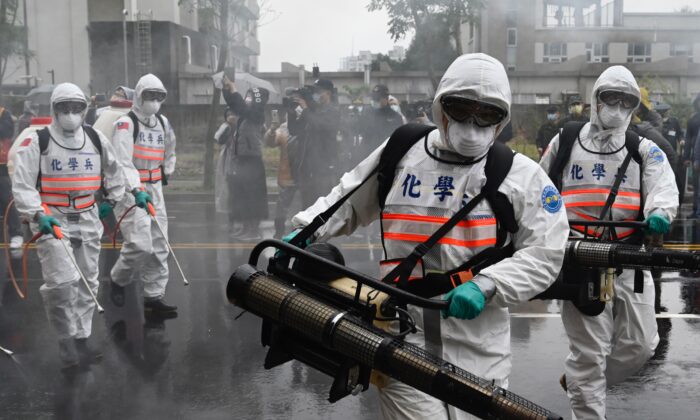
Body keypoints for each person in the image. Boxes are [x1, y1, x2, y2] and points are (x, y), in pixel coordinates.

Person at [288, 53, 569, 419]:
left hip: (479, 343)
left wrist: (488, 285)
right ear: (441, 106)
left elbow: (546, 251)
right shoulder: (402, 151)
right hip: (400, 332)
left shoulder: (519, 175)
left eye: (487, 113)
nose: (472, 123)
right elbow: (348, 199)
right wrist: (305, 230)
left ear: (502, 119)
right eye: (461, 108)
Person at [540, 66, 678, 420]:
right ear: (595, 99)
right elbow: (538, 188)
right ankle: (585, 390)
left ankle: (580, 382)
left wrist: (660, 210)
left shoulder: (641, 148)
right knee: (588, 354)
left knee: (641, 346)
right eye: (609, 98)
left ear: (633, 106)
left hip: (628, 258)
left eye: (625, 100)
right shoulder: (565, 141)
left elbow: (663, 182)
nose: (616, 107)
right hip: (579, 260)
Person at [10, 83, 126, 373]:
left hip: (88, 215)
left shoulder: (95, 138)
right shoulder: (39, 141)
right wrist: (38, 214)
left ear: (84, 109)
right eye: (65, 108)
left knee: (88, 280)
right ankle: (65, 341)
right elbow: (23, 183)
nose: (71, 114)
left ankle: (81, 338)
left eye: (77, 108)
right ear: (54, 109)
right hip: (53, 218)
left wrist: (111, 199)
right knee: (62, 284)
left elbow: (115, 171)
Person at [108, 74, 177, 315]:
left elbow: (171, 149)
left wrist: (167, 171)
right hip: (132, 192)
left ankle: (153, 297)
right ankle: (118, 278)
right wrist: (136, 189)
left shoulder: (163, 123)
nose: (154, 101)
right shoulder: (126, 124)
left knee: (160, 245)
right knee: (140, 244)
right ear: (139, 96)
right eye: (150, 96)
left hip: (155, 188)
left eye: (159, 97)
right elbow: (122, 162)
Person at [221, 78, 270, 241]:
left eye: (250, 97)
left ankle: (254, 230)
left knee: (253, 197)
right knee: (242, 196)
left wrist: (234, 89)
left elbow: (240, 106)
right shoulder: (245, 115)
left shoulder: (257, 114)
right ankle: (246, 228)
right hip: (242, 160)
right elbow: (235, 105)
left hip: (252, 161)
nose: (246, 100)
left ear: (256, 100)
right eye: (246, 97)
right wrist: (227, 90)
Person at [288, 79, 341, 207]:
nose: (315, 95)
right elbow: (294, 130)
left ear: (328, 93)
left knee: (321, 204)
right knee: (306, 204)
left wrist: (306, 109)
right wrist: (291, 113)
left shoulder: (333, 111)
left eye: (318, 92)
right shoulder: (312, 111)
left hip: (323, 166)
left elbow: (319, 125)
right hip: (306, 165)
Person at [264, 113, 297, 239]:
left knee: (303, 208)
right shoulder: (284, 128)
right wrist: (272, 130)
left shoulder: (308, 123)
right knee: (282, 207)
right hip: (288, 175)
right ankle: (279, 233)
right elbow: (271, 142)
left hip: (306, 175)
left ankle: (301, 234)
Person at [360, 84, 406, 161]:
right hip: (368, 157)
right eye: (373, 98)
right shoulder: (367, 113)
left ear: (386, 99)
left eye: (377, 98)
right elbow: (363, 134)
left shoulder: (395, 116)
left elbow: (398, 140)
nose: (375, 100)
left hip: (386, 157)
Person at [0, 102, 23, 249]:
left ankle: (16, 233)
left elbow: (6, 131)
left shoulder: (3, 113)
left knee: (5, 197)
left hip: (0, 165)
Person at [683, 93, 700, 213]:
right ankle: (695, 210)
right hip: (696, 156)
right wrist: (686, 157)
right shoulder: (693, 119)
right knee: (696, 184)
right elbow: (688, 139)